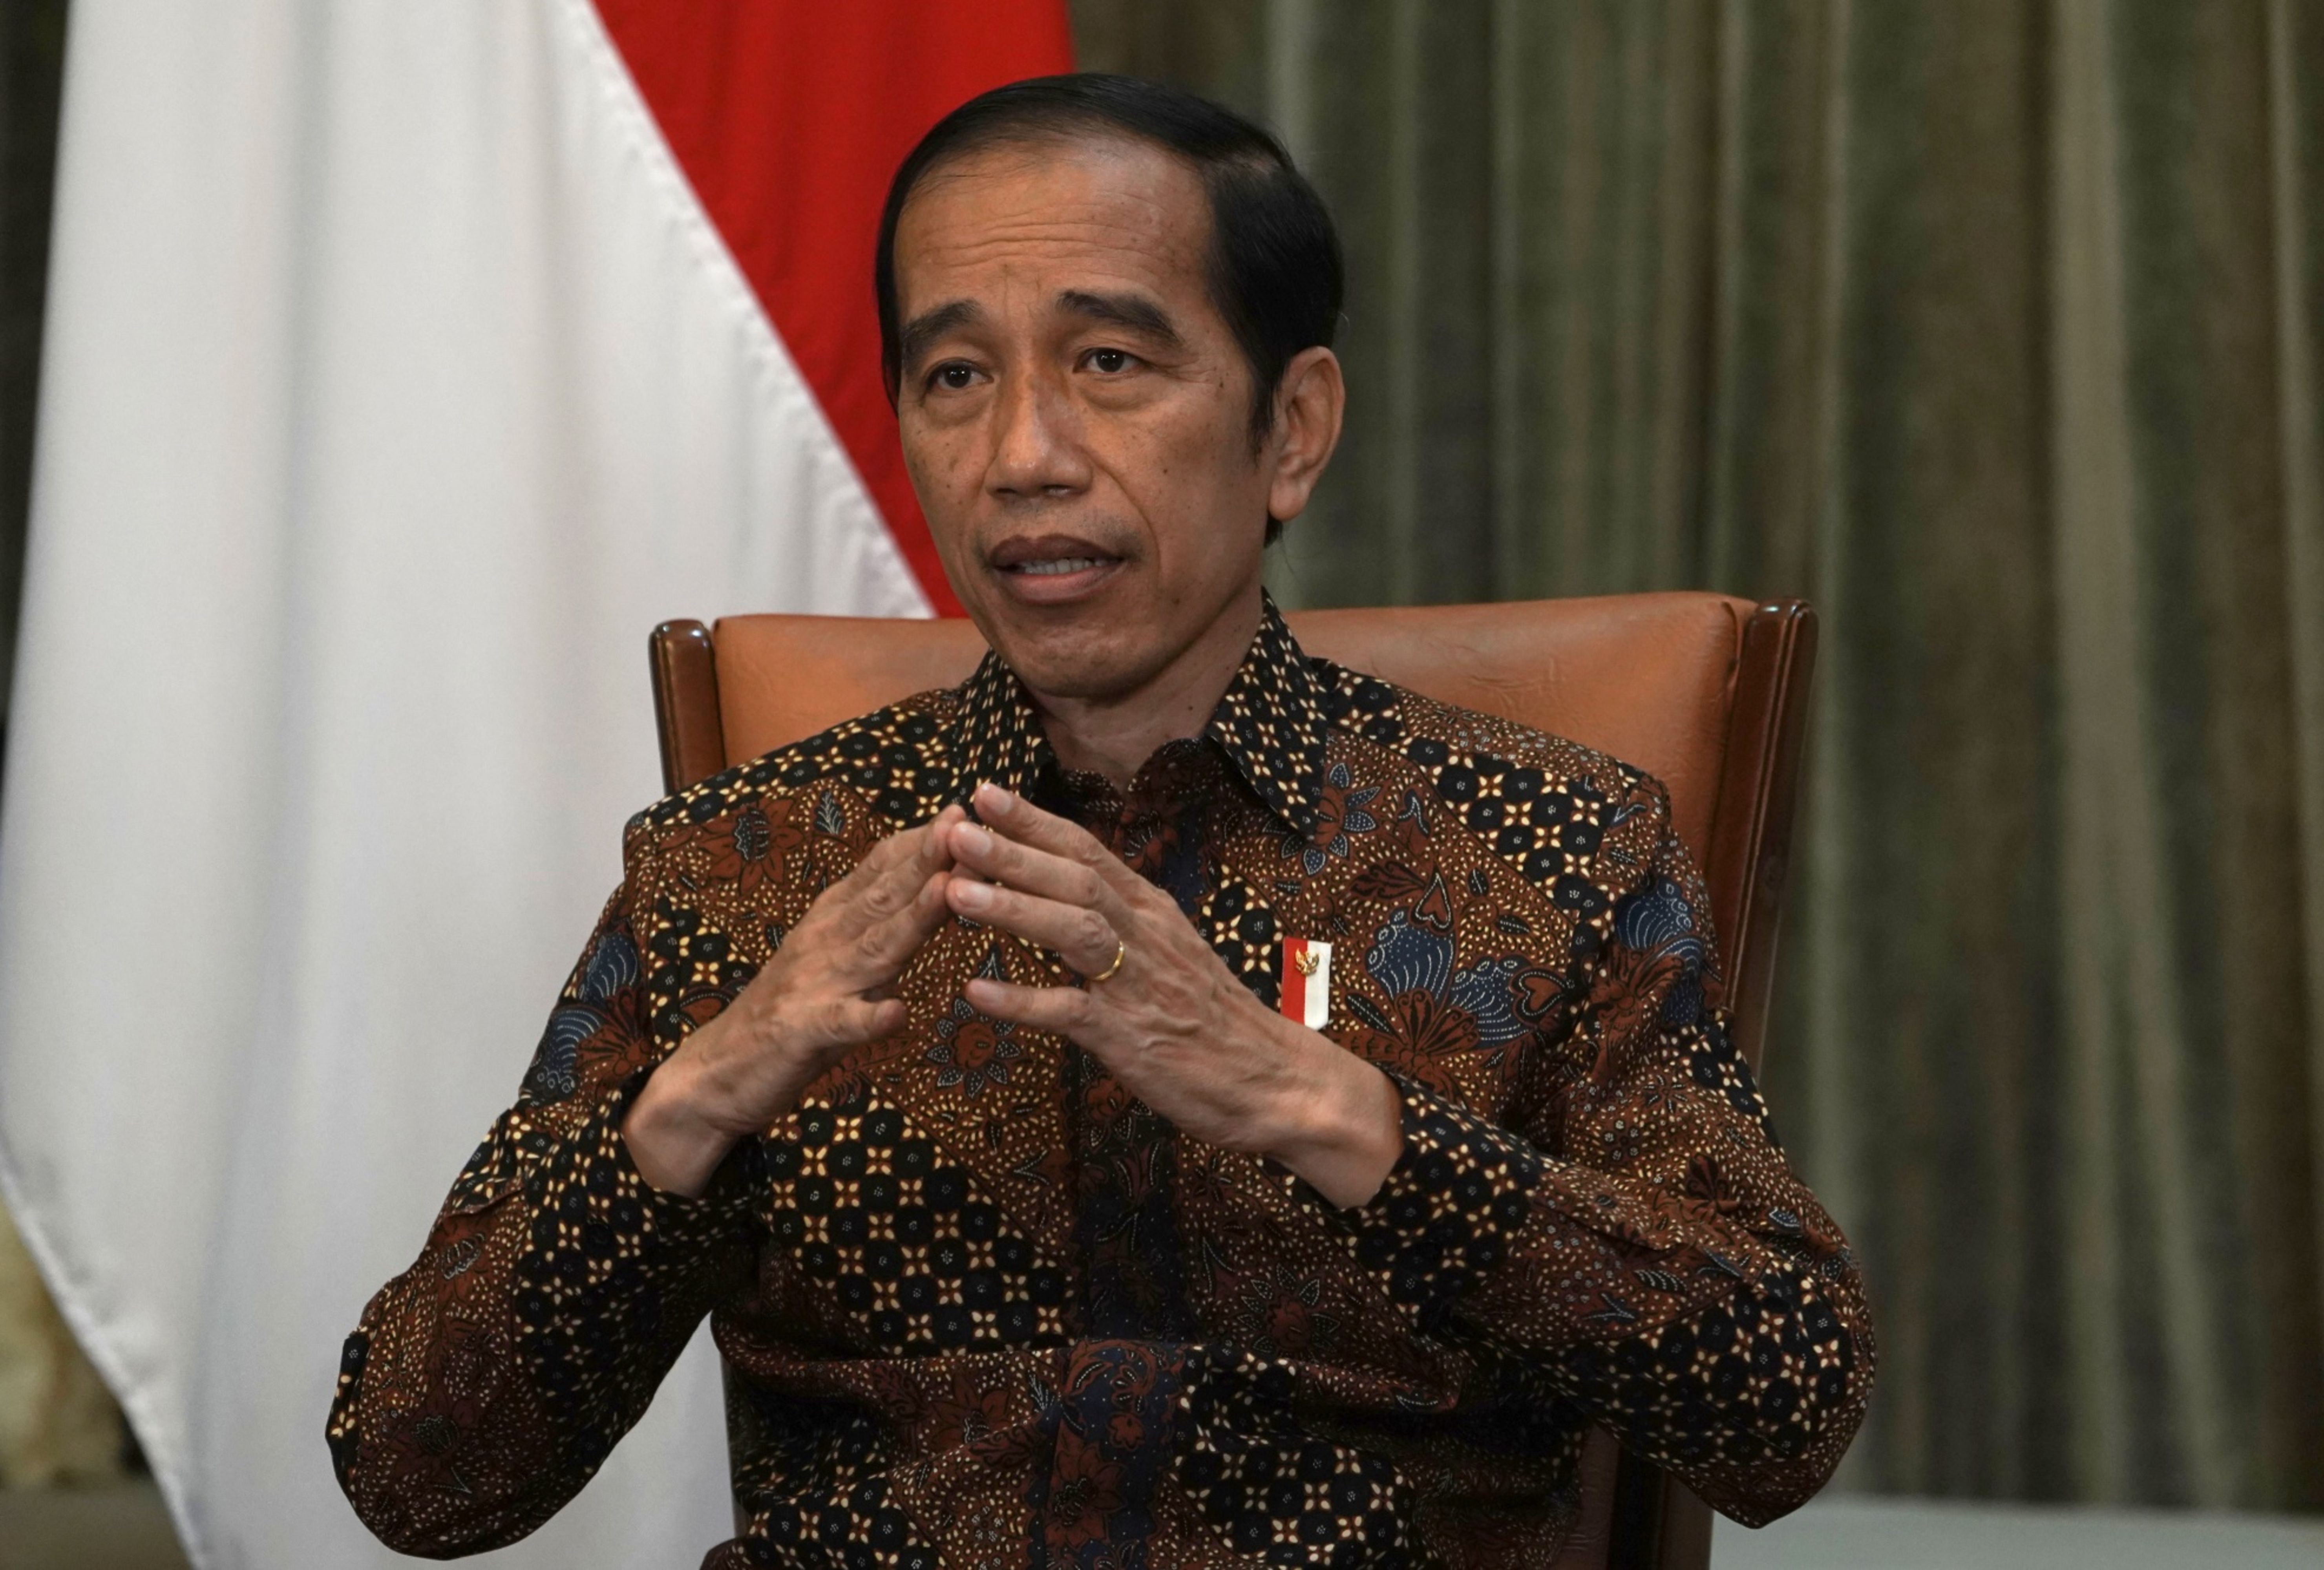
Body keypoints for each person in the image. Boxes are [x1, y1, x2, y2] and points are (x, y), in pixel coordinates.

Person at [328, 73, 1872, 1569]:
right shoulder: (753, 870)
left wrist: (1337, 1115)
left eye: (1111, 362)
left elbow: (1784, 1411)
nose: (1022, 457)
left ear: (1292, 429)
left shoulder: (1544, 846)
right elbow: (417, 1473)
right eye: (955, 377)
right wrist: (699, 1098)